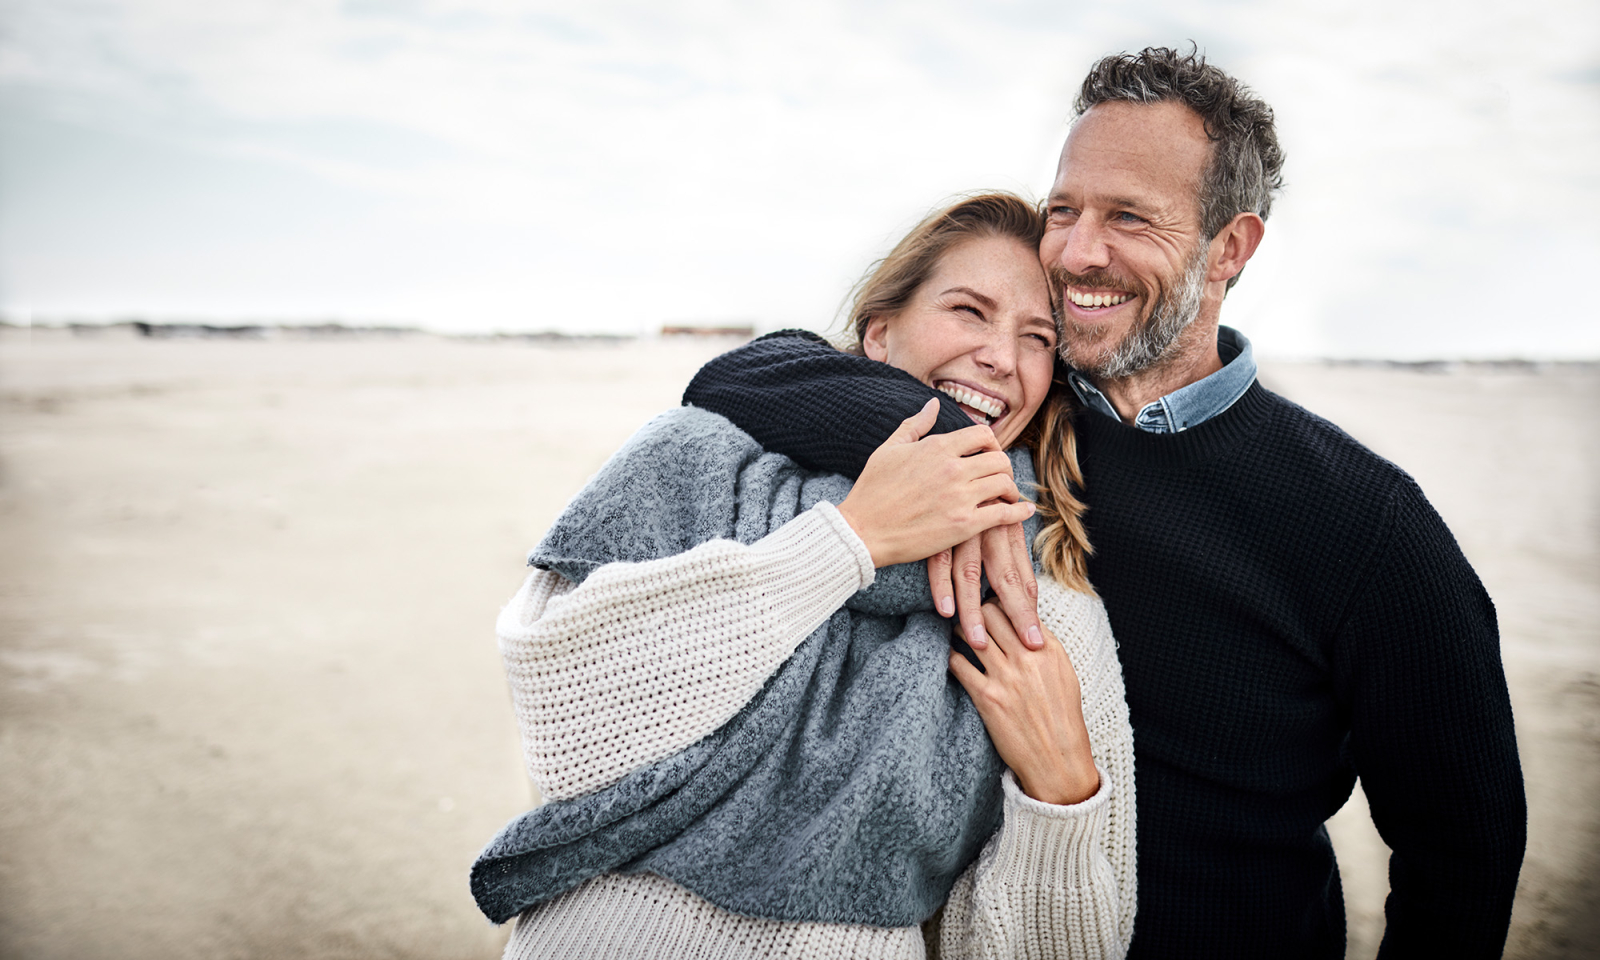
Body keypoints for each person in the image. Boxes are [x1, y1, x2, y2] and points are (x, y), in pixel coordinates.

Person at [685, 47, 1526, 959]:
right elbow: (741, 373)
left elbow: (1464, 848)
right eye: (1064, 211)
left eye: (1130, 217)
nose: (1078, 253)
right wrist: (936, 438)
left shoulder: (1365, 522)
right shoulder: (1014, 414)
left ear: (1229, 249)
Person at [474, 194, 1136, 959]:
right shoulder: (693, 456)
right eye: (968, 311)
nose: (1000, 356)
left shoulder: (1036, 590)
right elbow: (565, 728)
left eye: (1037, 337)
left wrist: (1061, 800)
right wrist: (851, 541)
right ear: (880, 333)